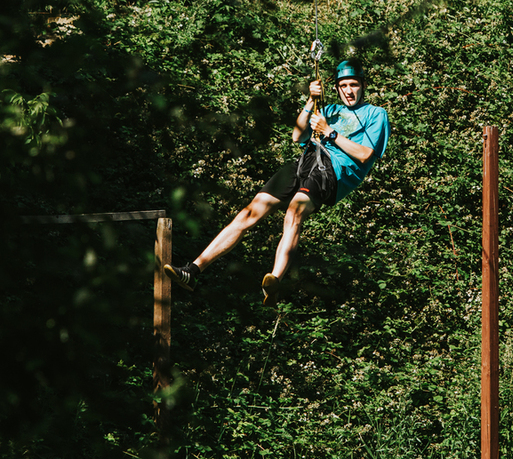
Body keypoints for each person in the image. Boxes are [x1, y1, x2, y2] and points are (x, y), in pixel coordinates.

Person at [164, 59, 390, 305]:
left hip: (332, 172)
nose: (348, 90)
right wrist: (310, 101)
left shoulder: (375, 114)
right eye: (343, 85)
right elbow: (297, 135)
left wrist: (329, 133)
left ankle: (275, 280)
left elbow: (365, 154)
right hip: (306, 161)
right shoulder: (329, 110)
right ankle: (192, 271)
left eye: (354, 85)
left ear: (363, 85)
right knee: (249, 212)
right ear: (336, 88)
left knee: (294, 211)